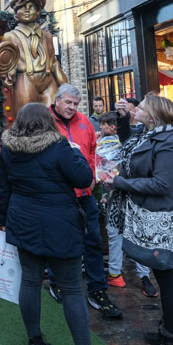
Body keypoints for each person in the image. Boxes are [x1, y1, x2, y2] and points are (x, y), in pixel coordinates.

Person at [0, 103, 102, 345]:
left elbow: (4, 188)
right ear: (48, 122)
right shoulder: (59, 147)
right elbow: (84, 178)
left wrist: (3, 219)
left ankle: (35, 344)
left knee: (30, 281)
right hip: (60, 224)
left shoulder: (10, 149)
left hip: (23, 221)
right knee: (71, 289)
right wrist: (75, 153)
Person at [110, 95, 173, 345]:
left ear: (153, 114)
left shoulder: (168, 143)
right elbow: (126, 144)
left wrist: (120, 183)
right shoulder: (147, 135)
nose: (136, 109)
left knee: (167, 277)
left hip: (160, 218)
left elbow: (162, 184)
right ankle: (167, 332)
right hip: (145, 214)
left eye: (141, 107)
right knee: (161, 274)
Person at [49, 84, 122, 320]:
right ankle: (57, 281)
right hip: (59, 196)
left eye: (76, 104)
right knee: (59, 242)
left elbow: (92, 151)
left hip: (85, 194)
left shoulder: (85, 122)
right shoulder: (46, 122)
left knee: (93, 241)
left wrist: (90, 177)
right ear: (57, 101)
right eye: (68, 102)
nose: (72, 107)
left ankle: (97, 290)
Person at [95, 112, 156, 297]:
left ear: (114, 127)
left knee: (115, 234)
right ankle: (144, 277)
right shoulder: (138, 142)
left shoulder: (105, 145)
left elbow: (101, 171)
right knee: (138, 235)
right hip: (136, 193)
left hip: (115, 194)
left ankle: (115, 274)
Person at [0, 0, 68, 110]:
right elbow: (4, 64)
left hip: (48, 81)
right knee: (28, 117)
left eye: (31, 7)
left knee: (54, 116)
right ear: (16, 12)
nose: (27, 10)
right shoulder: (11, 36)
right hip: (26, 81)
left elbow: (54, 63)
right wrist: (8, 73)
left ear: (37, 12)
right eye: (22, 7)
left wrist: (65, 86)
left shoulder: (47, 36)